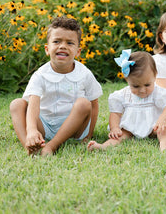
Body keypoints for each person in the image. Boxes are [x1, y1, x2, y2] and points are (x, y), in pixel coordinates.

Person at [9, 16, 102, 156]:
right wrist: (32, 129)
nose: (63, 46)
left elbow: (94, 105)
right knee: (17, 104)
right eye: (57, 41)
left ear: (78, 51)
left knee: (84, 103)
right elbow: (33, 104)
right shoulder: (40, 75)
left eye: (70, 43)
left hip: (75, 127)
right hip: (46, 126)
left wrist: (88, 135)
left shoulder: (85, 74)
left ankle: (51, 146)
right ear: (47, 49)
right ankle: (30, 146)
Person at [87, 50, 166, 152]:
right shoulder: (123, 95)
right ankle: (103, 146)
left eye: (147, 85)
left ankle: (164, 146)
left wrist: (162, 120)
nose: (142, 90)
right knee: (120, 134)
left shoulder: (158, 92)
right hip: (131, 127)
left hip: (154, 125)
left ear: (155, 75)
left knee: (164, 129)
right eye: (136, 86)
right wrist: (114, 128)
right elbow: (116, 113)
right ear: (127, 79)